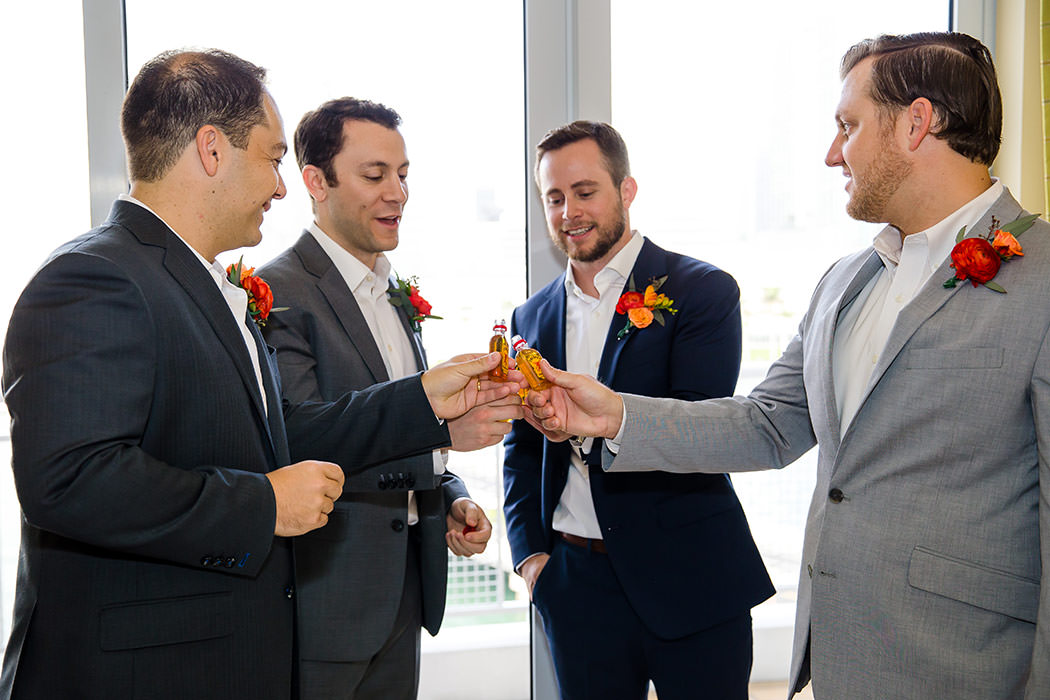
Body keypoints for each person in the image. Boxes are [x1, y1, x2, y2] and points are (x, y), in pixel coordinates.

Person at [524, 33, 1050, 700]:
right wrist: (618, 414)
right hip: (841, 656)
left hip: (969, 668)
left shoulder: (1044, 278)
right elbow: (769, 425)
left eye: (848, 126)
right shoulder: (845, 281)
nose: (833, 153)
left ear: (918, 123)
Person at [0, 49, 512, 700]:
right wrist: (264, 505)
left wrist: (421, 399)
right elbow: (67, 481)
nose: (279, 187)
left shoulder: (200, 282)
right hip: (142, 673)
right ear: (211, 151)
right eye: (272, 159)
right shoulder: (94, 277)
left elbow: (282, 435)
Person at [502, 120, 774, 700]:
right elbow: (520, 449)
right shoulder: (530, 319)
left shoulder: (702, 291)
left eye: (585, 191)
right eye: (554, 197)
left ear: (626, 191)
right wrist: (531, 558)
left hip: (690, 577)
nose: (569, 211)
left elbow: (704, 428)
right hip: (575, 587)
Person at [258, 97, 517, 699]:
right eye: (375, 176)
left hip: (405, 591)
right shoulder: (277, 290)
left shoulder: (395, 289)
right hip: (327, 601)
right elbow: (297, 435)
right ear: (315, 182)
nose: (397, 193)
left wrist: (448, 493)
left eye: (402, 175)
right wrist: (435, 420)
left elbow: (406, 428)